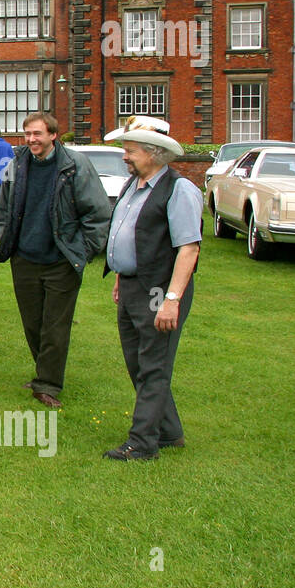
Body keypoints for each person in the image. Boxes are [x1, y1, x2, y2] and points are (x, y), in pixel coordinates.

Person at [0, 112, 111, 409]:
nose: (31, 140)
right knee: (32, 323)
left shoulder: (75, 165)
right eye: (27, 134)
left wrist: (81, 252)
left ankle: (47, 383)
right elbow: (3, 207)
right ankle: (43, 373)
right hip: (24, 259)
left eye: (37, 134)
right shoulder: (17, 164)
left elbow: (97, 214)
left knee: (55, 327)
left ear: (53, 135)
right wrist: (7, 237)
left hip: (61, 261)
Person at [101, 116, 203, 461]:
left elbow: (188, 248)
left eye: (130, 151)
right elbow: (132, 234)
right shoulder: (135, 184)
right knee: (139, 364)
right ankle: (170, 432)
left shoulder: (180, 190)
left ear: (153, 154)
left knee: (154, 366)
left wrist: (172, 300)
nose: (125, 156)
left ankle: (143, 443)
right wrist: (119, 274)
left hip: (160, 293)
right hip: (131, 287)